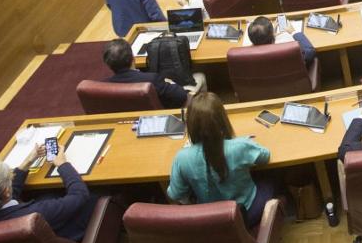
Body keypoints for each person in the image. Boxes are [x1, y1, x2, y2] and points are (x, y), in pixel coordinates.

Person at [168, 92, 274, 227]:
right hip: (247, 213)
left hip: (210, 220)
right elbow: (265, 156)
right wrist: (243, 142)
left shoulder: (181, 157)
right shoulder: (240, 146)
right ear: (223, 119)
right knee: (271, 177)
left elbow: (176, 194)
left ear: (190, 124)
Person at [0, 145, 94, 242]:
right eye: (10, 177)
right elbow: (79, 195)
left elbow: (8, 197)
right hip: (64, 242)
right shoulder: (36, 215)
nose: (12, 177)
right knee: (95, 193)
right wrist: (63, 164)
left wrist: (26, 163)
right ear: (6, 192)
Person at [101, 37, 191, 109]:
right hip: (158, 119)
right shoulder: (151, 79)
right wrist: (171, 83)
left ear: (108, 64)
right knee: (198, 80)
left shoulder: (103, 86)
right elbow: (181, 96)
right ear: (133, 58)